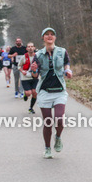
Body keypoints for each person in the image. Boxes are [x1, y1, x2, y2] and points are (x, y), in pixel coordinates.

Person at [30, 28, 72, 159]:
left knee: (59, 119)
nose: (49, 36)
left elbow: (67, 65)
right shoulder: (38, 55)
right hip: (45, 92)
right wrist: (34, 70)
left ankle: (58, 137)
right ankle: (47, 148)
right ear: (43, 38)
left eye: (52, 34)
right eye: (47, 34)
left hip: (59, 91)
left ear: (55, 37)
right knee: (48, 122)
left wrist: (68, 71)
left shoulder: (62, 51)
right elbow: (35, 75)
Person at [18, 42, 39, 113]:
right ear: (26, 48)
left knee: (35, 92)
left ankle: (31, 107)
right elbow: (19, 66)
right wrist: (22, 71)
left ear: (34, 48)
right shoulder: (23, 57)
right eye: (29, 47)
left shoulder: (37, 56)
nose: (30, 48)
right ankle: (25, 94)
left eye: (32, 46)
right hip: (25, 77)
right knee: (29, 93)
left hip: (35, 77)